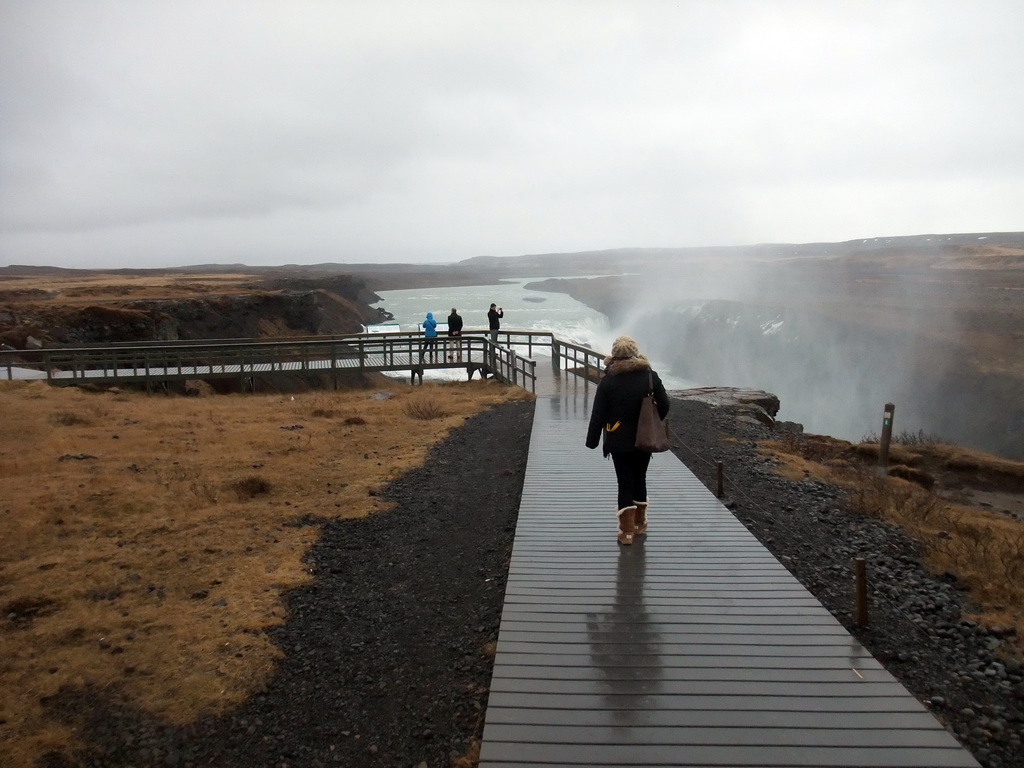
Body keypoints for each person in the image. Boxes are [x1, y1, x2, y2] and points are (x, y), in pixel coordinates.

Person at [585, 336, 670, 545]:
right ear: (635, 352)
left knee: (625, 483)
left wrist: (592, 440)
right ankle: (640, 525)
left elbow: (598, 414)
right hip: (644, 438)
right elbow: (665, 403)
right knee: (640, 478)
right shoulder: (650, 376)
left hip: (618, 439)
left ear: (614, 354)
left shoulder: (608, 380)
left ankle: (627, 533)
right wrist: (652, 420)